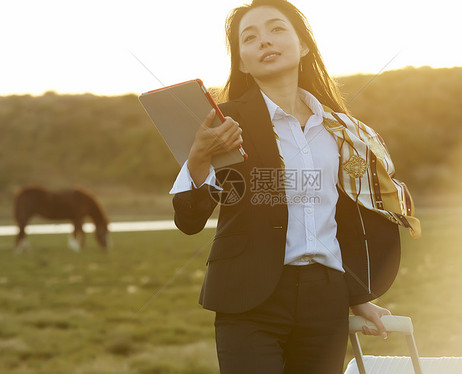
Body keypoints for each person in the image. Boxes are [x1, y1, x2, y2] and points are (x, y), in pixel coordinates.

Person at [170, 0, 420, 373]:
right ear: (241, 61)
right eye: (250, 38)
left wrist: (357, 295)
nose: (265, 42)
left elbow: (344, 219)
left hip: (326, 300)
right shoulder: (224, 124)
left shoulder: (342, 131)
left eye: (276, 30)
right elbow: (189, 220)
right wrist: (199, 156)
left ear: (303, 45)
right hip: (248, 300)